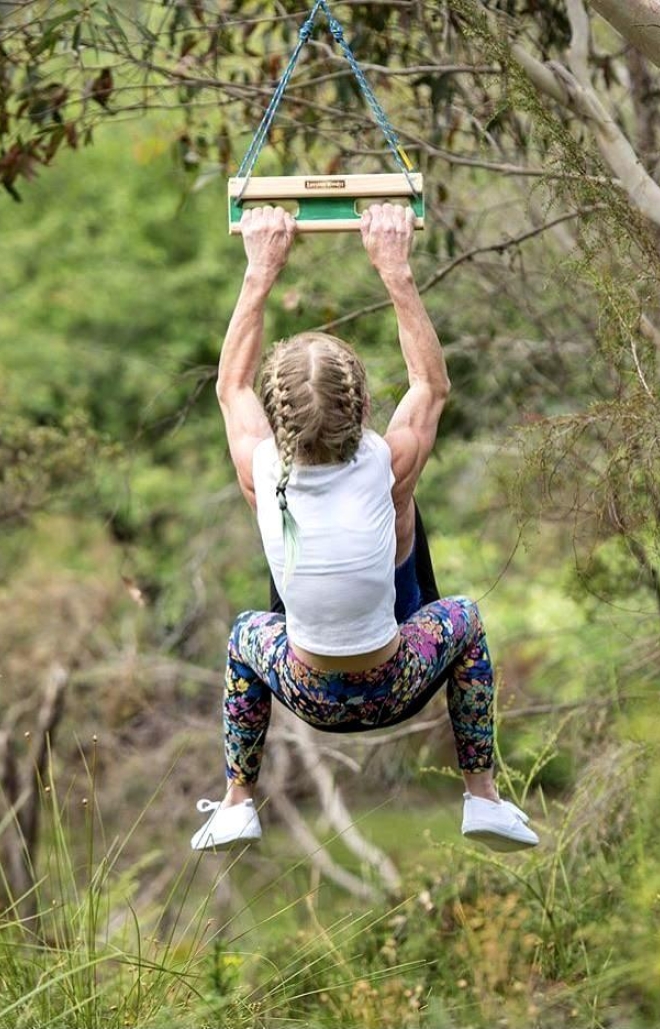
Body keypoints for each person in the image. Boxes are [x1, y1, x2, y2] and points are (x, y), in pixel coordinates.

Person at [191, 203, 538, 854]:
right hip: (397, 682)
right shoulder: (389, 464)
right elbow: (430, 387)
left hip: (305, 689)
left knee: (245, 632)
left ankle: (239, 800)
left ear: (279, 415)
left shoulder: (257, 469)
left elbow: (228, 384)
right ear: (362, 404)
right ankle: (481, 796)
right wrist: (394, 269)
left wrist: (260, 270)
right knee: (461, 614)